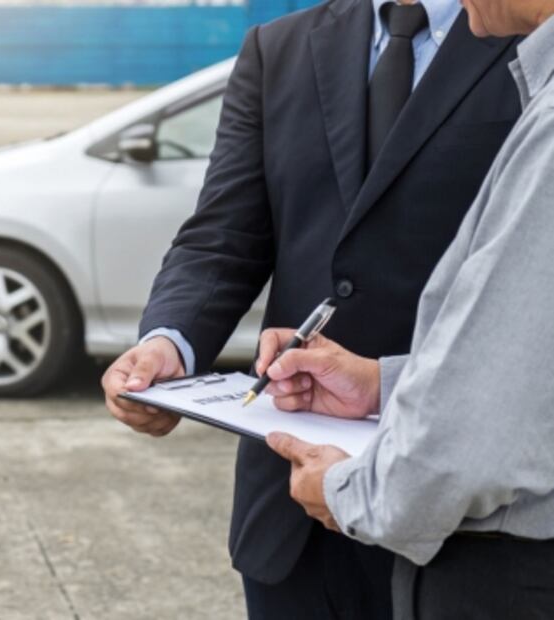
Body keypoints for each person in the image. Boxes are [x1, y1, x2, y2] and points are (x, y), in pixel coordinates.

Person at [101, 0, 523, 616]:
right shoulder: (278, 48)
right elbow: (224, 233)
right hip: (290, 507)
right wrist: (170, 342)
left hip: (458, 510)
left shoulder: (525, 34)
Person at [258, 3, 554, 614]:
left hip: (504, 570)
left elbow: (477, 430)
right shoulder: (278, 44)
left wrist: (354, 496)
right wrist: (383, 384)